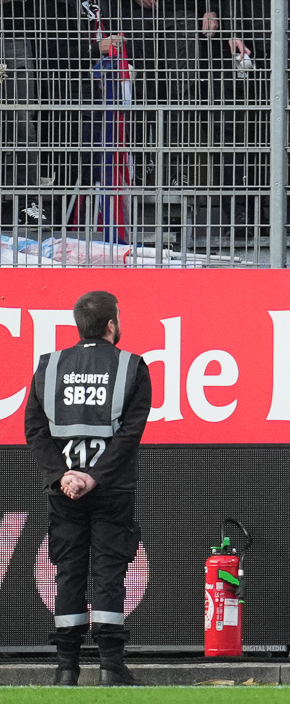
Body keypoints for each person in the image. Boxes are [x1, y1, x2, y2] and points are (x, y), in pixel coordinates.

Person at [24, 287, 149, 687]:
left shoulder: (49, 365)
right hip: (112, 489)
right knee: (110, 573)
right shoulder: (132, 366)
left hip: (64, 491)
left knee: (69, 572)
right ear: (111, 324)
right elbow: (130, 435)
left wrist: (63, 475)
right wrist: (95, 475)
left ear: (79, 326)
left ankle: (66, 668)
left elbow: (34, 430)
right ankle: (111, 668)